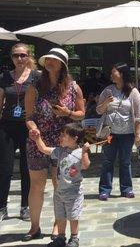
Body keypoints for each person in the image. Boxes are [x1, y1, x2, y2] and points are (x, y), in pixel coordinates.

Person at [23, 48, 85, 242]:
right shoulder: (34, 86)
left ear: (63, 65)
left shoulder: (73, 87)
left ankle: (58, 228)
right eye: (48, 58)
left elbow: (82, 114)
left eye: (54, 59)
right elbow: (29, 117)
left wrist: (67, 113)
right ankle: (34, 227)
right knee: (36, 185)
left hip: (63, 143)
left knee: (61, 186)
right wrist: (33, 128)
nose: (49, 61)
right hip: (38, 141)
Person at [30, 123, 90, 247]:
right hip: (59, 191)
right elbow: (44, 149)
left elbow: (85, 165)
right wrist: (38, 139)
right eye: (61, 134)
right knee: (60, 215)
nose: (60, 137)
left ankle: (74, 238)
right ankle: (61, 237)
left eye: (64, 135)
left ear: (75, 138)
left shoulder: (80, 152)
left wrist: (84, 152)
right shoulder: (59, 151)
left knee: (73, 216)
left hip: (73, 193)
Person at [0, 44, 39, 223]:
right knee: (5, 169)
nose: (20, 59)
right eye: (16, 56)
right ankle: (2, 207)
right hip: (7, 126)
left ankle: (25, 207)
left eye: (23, 55)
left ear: (28, 56)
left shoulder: (36, 77)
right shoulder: (4, 77)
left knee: (26, 168)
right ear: (12, 57)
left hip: (27, 126)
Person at [96, 62, 140, 201]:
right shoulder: (108, 91)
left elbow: (139, 116)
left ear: (121, 74)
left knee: (125, 162)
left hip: (127, 134)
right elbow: (99, 110)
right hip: (110, 133)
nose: (111, 75)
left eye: (113, 72)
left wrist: (138, 134)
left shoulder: (133, 92)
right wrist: (106, 103)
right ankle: (105, 190)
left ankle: (127, 189)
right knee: (108, 161)